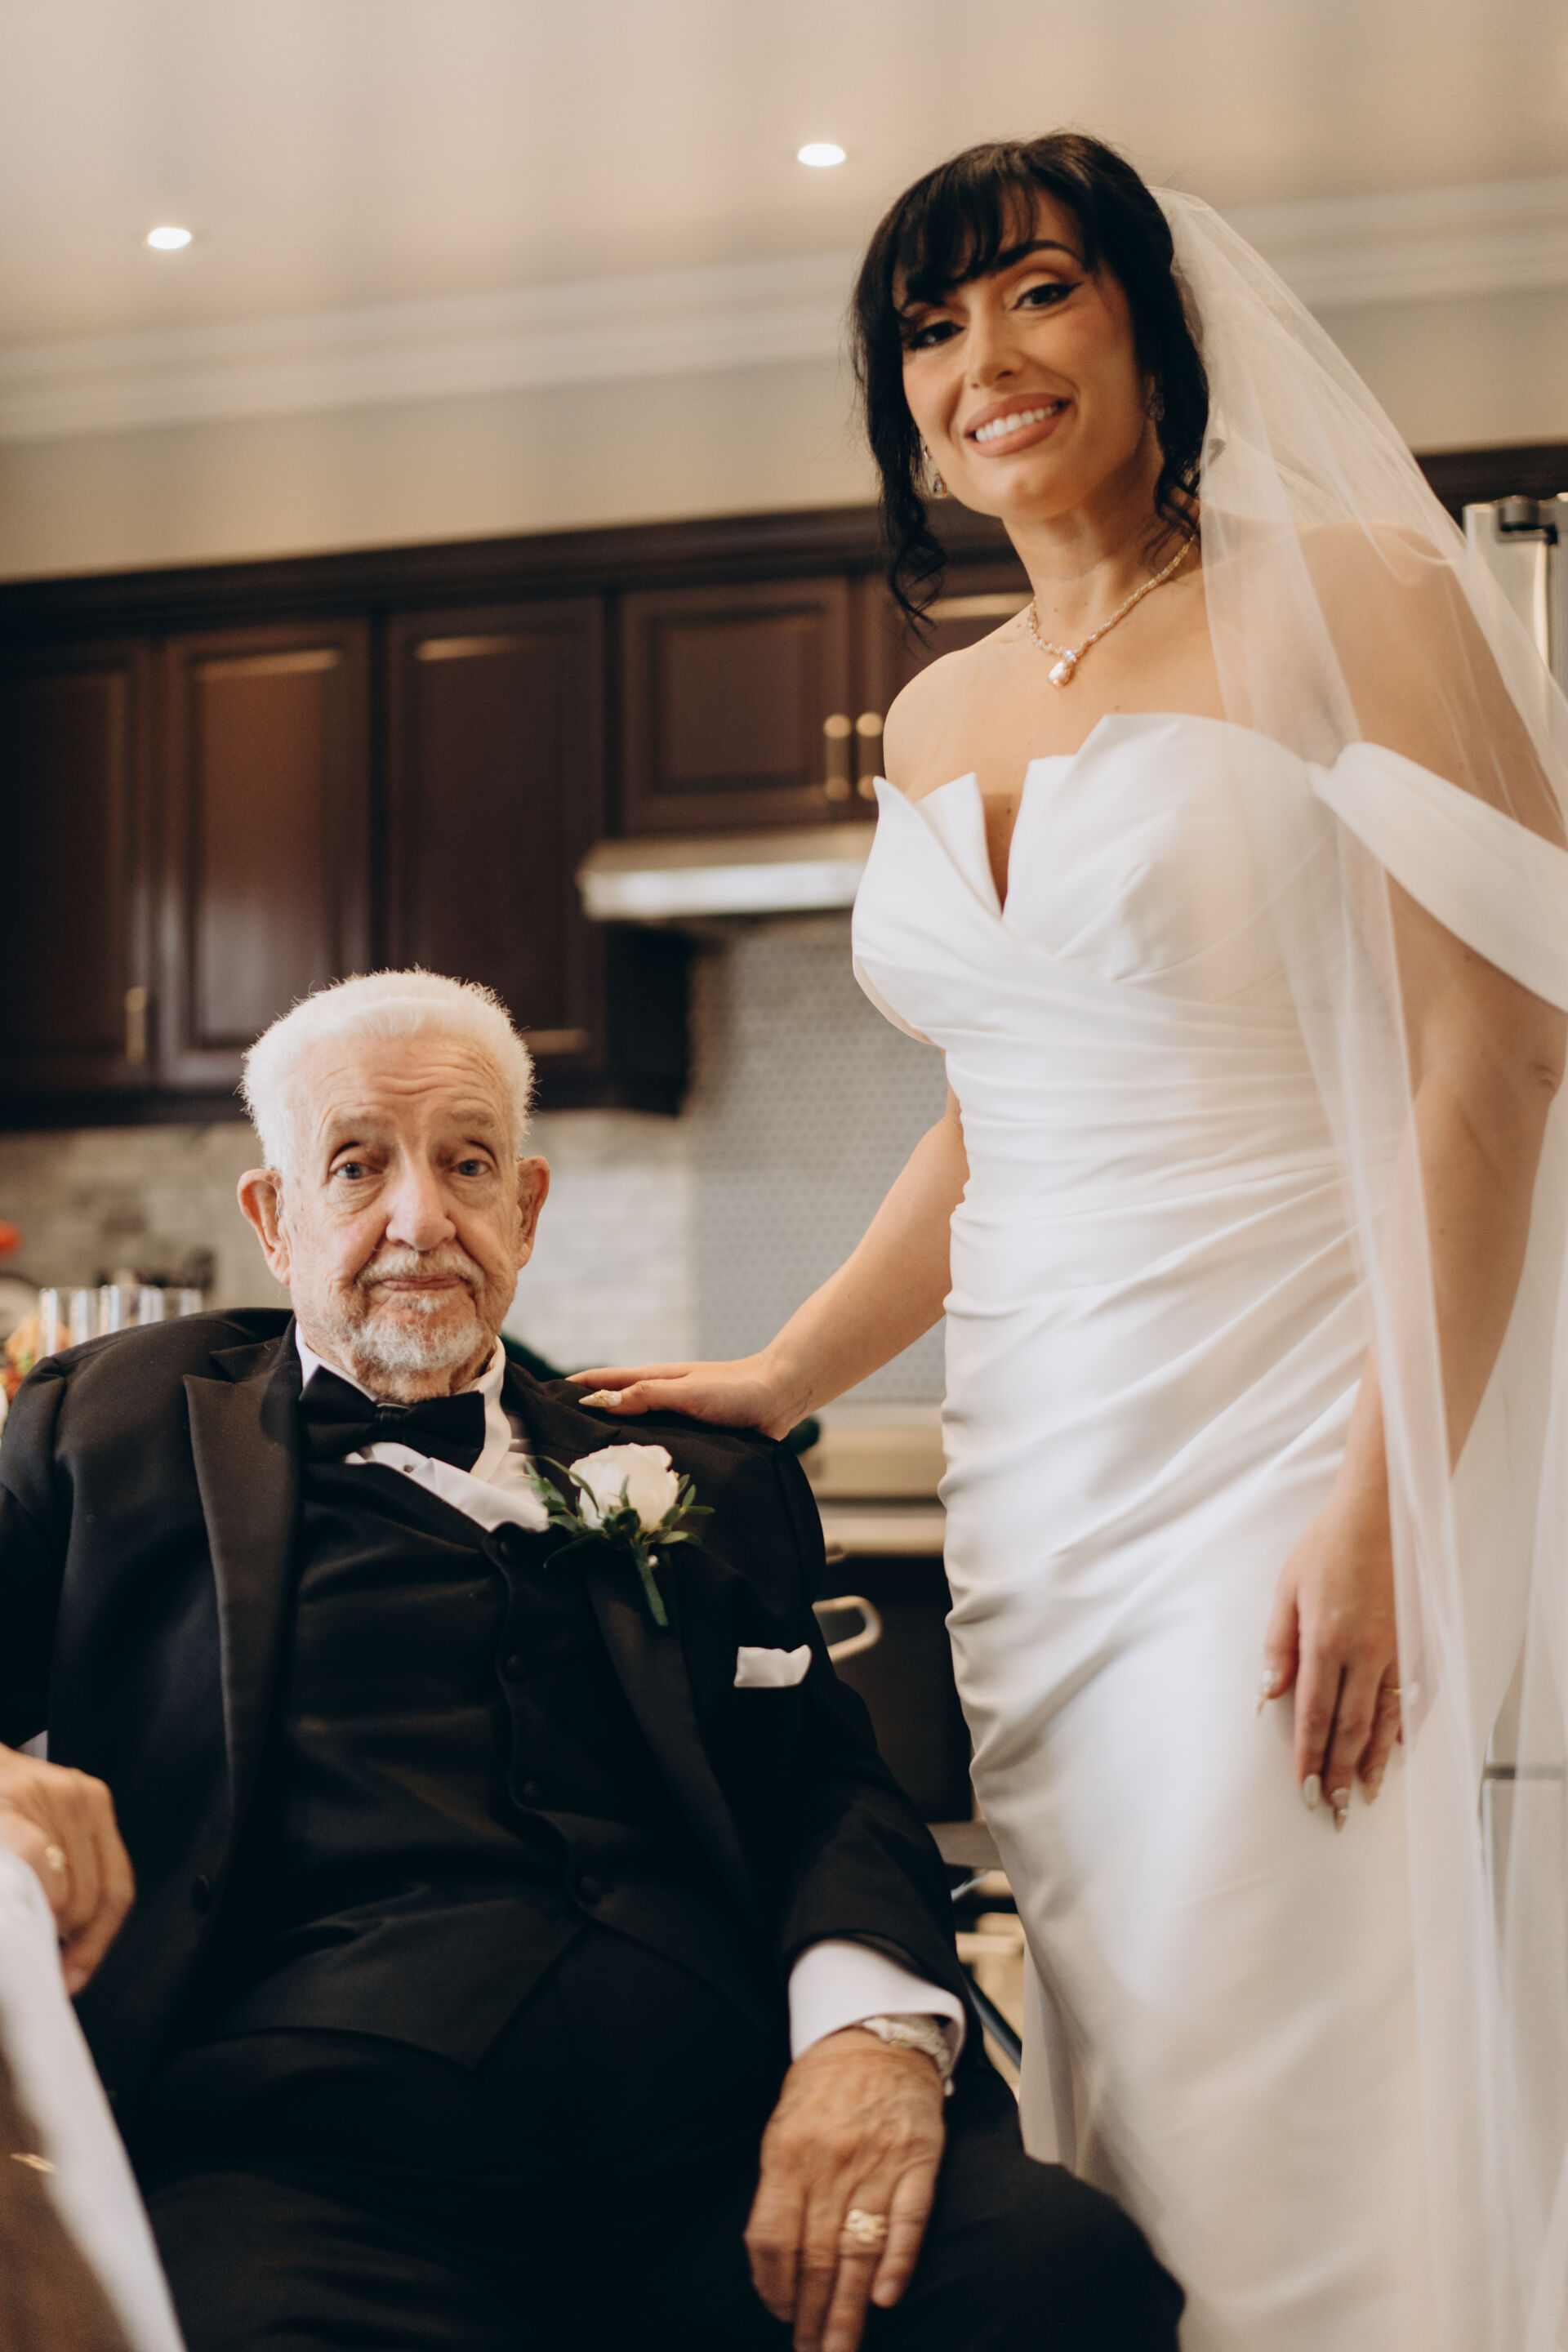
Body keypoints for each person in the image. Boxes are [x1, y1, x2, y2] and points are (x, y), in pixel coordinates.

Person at [571, 136, 1568, 2350]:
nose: (983, 359)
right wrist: (788, 1373)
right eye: (928, 327)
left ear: (1150, 320)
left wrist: (1384, 1511)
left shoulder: (1359, 604)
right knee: (1115, 2047)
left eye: (1037, 290)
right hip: (1039, 1482)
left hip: (1295, 1441)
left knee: (1297, 2019)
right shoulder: (941, 705)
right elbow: (991, 1116)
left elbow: (1498, 1064)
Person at [0, 969, 1181, 2352]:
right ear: (272, 1218)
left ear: (527, 1207)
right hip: (311, 2176)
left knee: (1061, 2272)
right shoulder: (111, 1430)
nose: (420, 1220)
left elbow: (830, 1792)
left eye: (467, 1165)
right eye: (358, 1166)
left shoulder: (700, 1469)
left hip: (727, 2162)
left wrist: (870, 2040)